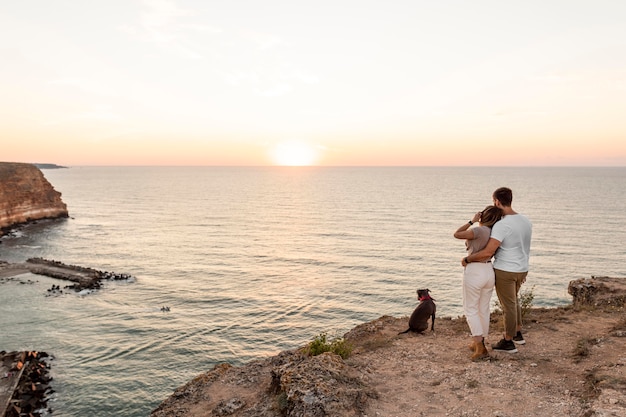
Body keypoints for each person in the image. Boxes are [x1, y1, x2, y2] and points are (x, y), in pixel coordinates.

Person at [461, 187, 532, 353]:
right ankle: (518, 333)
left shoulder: (502, 224)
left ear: (497, 202)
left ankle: (508, 342)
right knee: (513, 300)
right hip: (522, 268)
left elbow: (488, 252)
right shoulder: (525, 220)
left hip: (506, 269)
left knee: (508, 305)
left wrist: (467, 259)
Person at [454, 205, 503, 361]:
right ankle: (480, 342)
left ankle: (479, 345)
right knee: (483, 308)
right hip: (489, 270)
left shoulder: (480, 230)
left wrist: (472, 221)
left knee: (471, 308)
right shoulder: (496, 233)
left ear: (483, 216)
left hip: (475, 271)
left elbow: (457, 234)